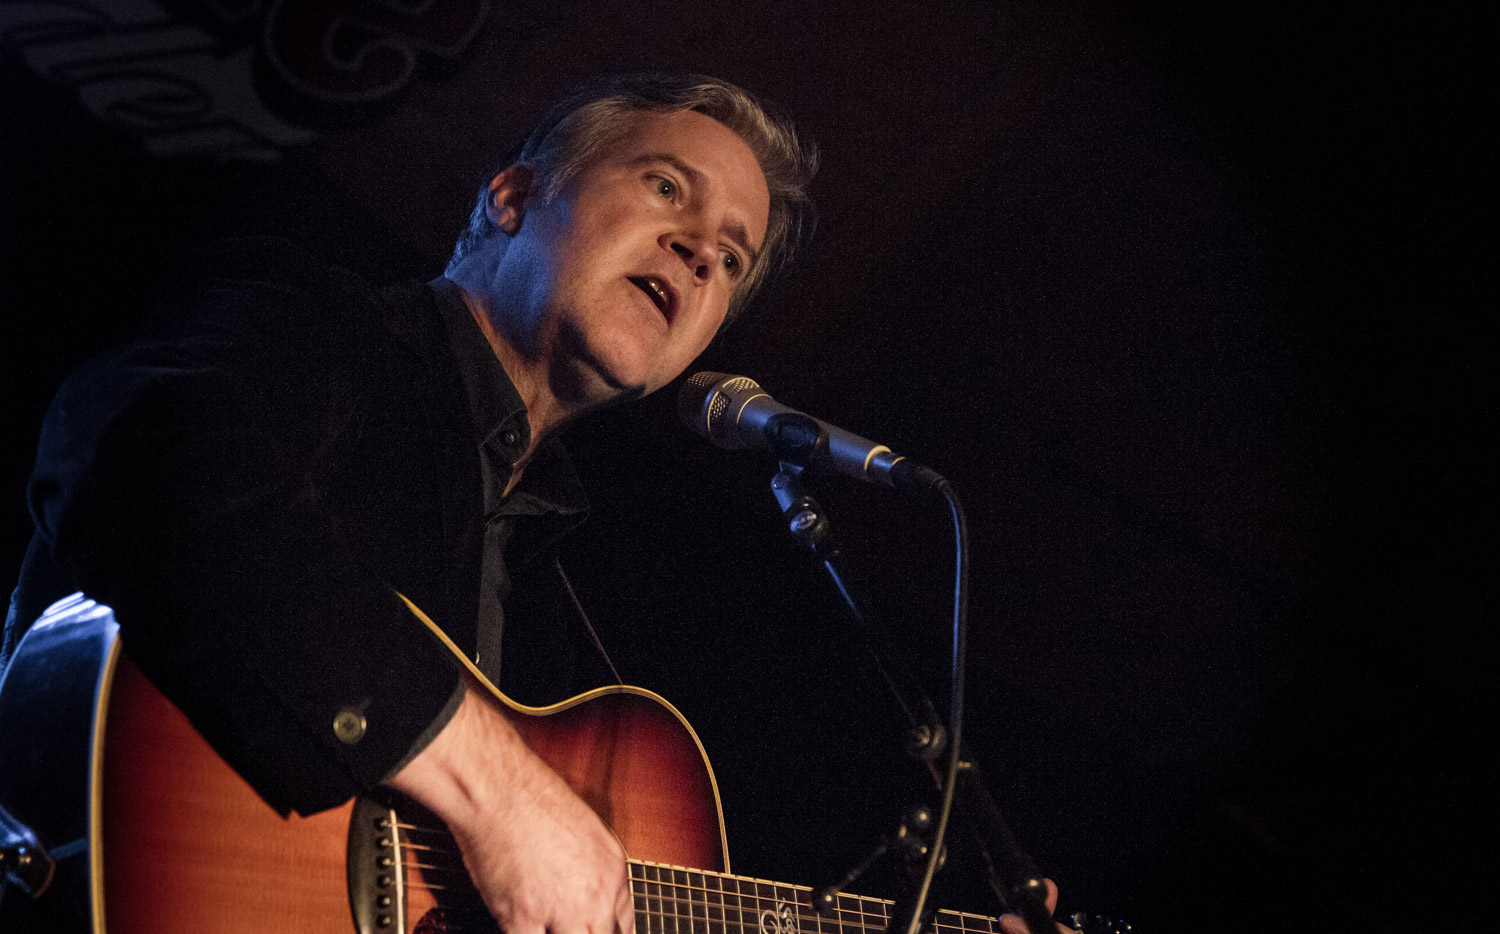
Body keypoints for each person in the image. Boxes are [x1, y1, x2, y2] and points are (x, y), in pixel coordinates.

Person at [3, 73, 814, 933]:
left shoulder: (550, 632)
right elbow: (131, 453)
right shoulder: (325, 329)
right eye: (665, 186)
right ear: (512, 198)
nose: (698, 252)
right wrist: (492, 789)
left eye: (732, 259)